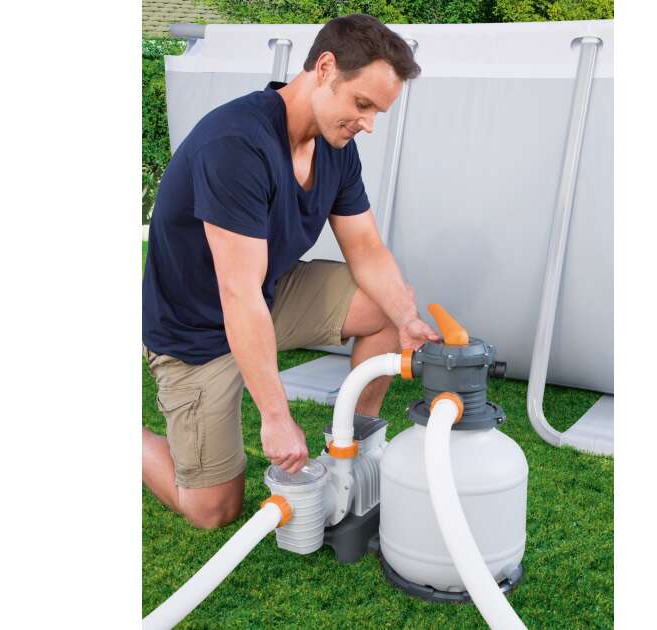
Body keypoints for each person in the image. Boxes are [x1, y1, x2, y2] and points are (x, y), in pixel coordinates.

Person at [142, 14, 440, 529]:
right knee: (213, 510)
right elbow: (237, 294)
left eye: (377, 111)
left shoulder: (336, 147)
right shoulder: (235, 144)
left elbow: (366, 248)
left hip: (269, 295)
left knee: (387, 306)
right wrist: (276, 418)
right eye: (362, 104)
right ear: (325, 69)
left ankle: (352, 450)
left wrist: (406, 317)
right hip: (197, 332)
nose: (368, 123)